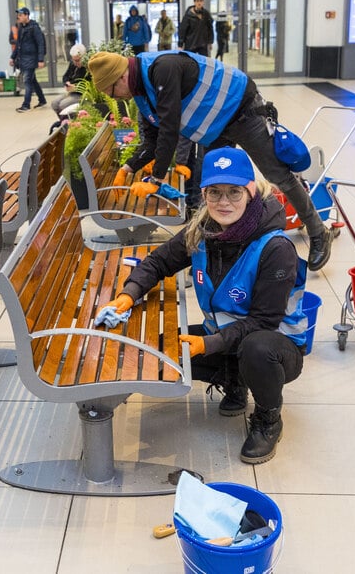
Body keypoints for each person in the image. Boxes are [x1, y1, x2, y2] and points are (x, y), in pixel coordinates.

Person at [98, 147, 308, 464]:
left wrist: (208, 344)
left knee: (255, 349)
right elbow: (158, 261)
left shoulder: (276, 248)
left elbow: (263, 322)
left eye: (234, 192)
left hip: (276, 349)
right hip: (225, 336)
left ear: (251, 191)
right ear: (204, 193)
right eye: (215, 192)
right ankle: (235, 382)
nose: (224, 202)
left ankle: (268, 419)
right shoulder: (202, 230)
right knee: (160, 351)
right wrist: (129, 294)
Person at [87, 50, 333, 271]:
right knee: (212, 185)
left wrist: (156, 179)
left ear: (120, 77)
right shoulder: (141, 93)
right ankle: (222, 246)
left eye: (110, 91)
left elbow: (169, 129)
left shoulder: (162, 69)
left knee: (277, 175)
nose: (114, 98)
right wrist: (128, 168)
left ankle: (318, 231)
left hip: (241, 109)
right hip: (215, 128)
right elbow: (152, 141)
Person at [11, 6, 47, 113]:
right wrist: (13, 57)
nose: (19, 17)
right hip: (24, 59)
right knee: (32, 81)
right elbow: (18, 44)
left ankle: (26, 105)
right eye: (18, 15)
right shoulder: (21, 28)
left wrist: (40, 59)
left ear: (27, 15)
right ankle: (42, 100)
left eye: (21, 15)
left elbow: (40, 43)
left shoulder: (34, 27)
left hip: (31, 59)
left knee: (27, 81)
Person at [51, 43, 88, 117]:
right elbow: (65, 76)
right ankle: (64, 120)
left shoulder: (88, 66)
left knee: (63, 105)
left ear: (83, 57)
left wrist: (76, 88)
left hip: (82, 94)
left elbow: (89, 84)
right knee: (54, 103)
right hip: (72, 92)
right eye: (74, 60)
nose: (75, 63)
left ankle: (69, 120)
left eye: (77, 60)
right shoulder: (73, 63)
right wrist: (67, 83)